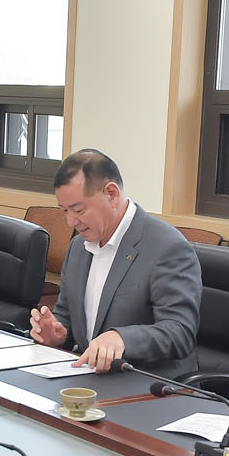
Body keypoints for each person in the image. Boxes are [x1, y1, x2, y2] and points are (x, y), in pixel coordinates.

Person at [28, 149, 201, 376]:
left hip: (147, 384)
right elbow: (66, 316)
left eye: (78, 210)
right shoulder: (78, 247)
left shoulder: (168, 247)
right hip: (90, 378)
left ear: (111, 194)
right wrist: (58, 334)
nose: (71, 222)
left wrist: (121, 338)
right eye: (64, 211)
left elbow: (180, 332)